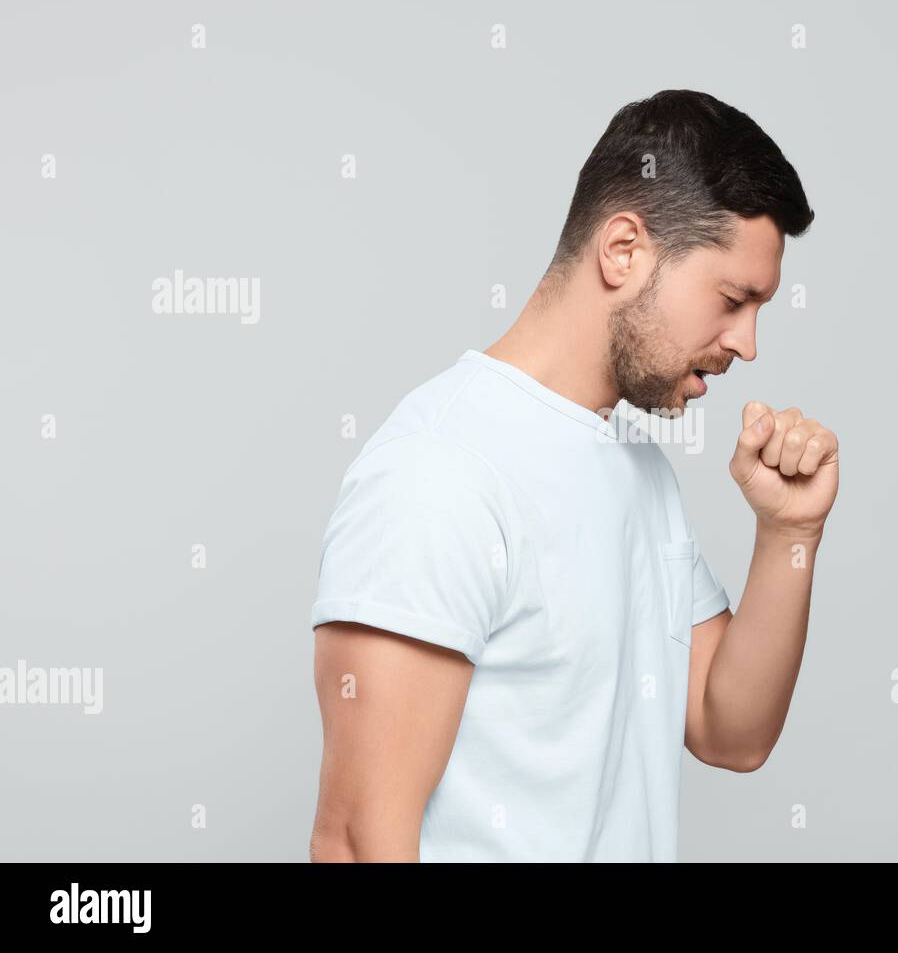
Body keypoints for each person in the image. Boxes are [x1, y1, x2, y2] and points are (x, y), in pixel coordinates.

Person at [308, 89, 838, 862]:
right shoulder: (440, 469)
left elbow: (733, 731)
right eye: (733, 299)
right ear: (623, 250)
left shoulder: (641, 473)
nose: (747, 343)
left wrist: (790, 532)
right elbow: (357, 840)